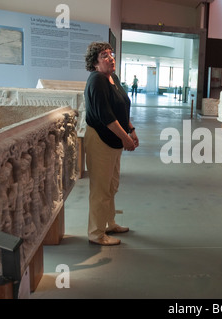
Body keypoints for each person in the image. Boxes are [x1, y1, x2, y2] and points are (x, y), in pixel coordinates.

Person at [84, 42, 139, 246]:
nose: (110, 58)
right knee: (100, 188)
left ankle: (108, 223)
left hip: (114, 140)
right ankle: (96, 233)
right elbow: (106, 117)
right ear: (95, 62)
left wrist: (131, 130)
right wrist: (126, 139)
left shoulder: (112, 77)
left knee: (111, 185)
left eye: (111, 54)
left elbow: (121, 108)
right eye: (104, 55)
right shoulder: (97, 80)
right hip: (100, 138)